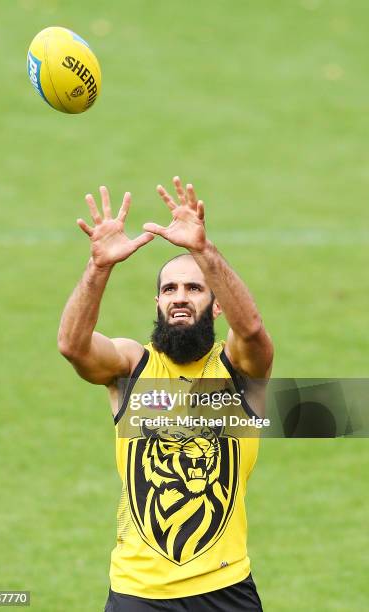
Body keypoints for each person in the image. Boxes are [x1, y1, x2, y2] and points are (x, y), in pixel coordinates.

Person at [58, 177, 274, 611]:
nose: (179, 298)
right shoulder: (131, 366)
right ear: (156, 303)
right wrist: (99, 267)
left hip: (225, 589)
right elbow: (73, 346)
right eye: (169, 290)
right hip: (139, 594)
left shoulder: (239, 370)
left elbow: (250, 329)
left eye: (194, 288)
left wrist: (203, 251)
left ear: (216, 306)